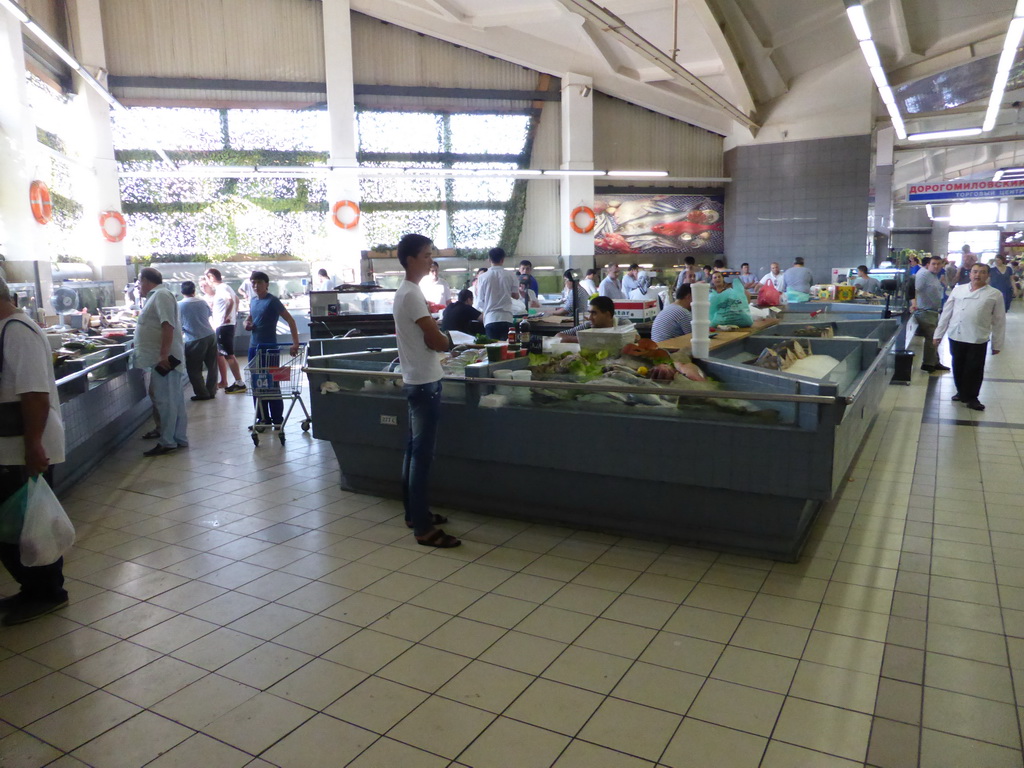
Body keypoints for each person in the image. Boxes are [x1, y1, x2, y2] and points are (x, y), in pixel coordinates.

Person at [0, 277, 68, 625]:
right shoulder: (7, 330)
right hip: (12, 448)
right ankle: (33, 588)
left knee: (29, 525)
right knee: (17, 527)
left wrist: (33, 447)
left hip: (23, 448)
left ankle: (48, 592)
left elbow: (35, 396)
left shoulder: (17, 332)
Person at [392, 234, 460, 548]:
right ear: (409, 259)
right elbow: (434, 341)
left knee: (413, 451)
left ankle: (413, 513)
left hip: (417, 380)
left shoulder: (407, 292)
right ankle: (422, 528)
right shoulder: (411, 295)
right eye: (425, 254)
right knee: (421, 456)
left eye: (431, 254)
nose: (430, 260)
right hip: (424, 384)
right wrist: (450, 340)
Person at [933, 263, 1006, 411]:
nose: (978, 275)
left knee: (974, 368)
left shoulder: (994, 294)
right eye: (975, 272)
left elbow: (999, 321)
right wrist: (938, 334)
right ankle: (961, 392)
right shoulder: (958, 290)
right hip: (956, 335)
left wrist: (997, 344)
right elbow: (947, 312)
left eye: (982, 272)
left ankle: (972, 397)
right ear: (970, 274)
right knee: (958, 365)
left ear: (988, 275)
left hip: (977, 337)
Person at [136, 267, 187, 457]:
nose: (138, 287)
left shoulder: (161, 295)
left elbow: (168, 325)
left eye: (139, 282)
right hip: (162, 358)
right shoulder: (157, 296)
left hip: (165, 360)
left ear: (146, 281)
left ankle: (168, 441)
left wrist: (163, 355)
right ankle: (178, 437)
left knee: (165, 400)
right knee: (173, 400)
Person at [245, 271, 300, 426]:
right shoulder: (253, 301)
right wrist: (246, 324)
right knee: (257, 384)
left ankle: (277, 418)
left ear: (267, 284)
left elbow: (290, 320)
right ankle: (262, 417)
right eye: (253, 283)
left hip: (269, 349)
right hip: (253, 347)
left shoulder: (273, 301)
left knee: (272, 384)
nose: (256, 286)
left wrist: (295, 343)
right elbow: (250, 318)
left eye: (259, 282)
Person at [205, 268, 246, 394]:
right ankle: (236, 381)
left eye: (207, 278)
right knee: (225, 354)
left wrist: (226, 316)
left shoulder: (222, 288)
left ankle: (239, 382)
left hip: (224, 326)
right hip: (225, 325)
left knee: (229, 355)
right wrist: (233, 314)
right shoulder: (225, 287)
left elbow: (231, 300)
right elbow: (237, 300)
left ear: (211, 277)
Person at [178, 281, 218, 401]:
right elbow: (208, 315)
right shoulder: (202, 302)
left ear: (181, 292)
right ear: (194, 291)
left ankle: (202, 393)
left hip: (194, 339)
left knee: (194, 368)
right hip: (210, 335)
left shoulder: (179, 305)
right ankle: (211, 391)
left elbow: (179, 324)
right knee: (212, 366)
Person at [912, 256, 950, 374]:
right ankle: (928, 364)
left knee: (935, 337)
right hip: (924, 311)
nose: (936, 266)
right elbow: (913, 290)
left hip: (933, 311)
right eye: (934, 264)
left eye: (939, 264)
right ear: (928, 264)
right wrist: (913, 303)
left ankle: (934, 361)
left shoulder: (932, 275)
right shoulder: (923, 275)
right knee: (931, 338)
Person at [474, 247, 519, 340]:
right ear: (503, 260)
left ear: (489, 260)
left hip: (491, 319)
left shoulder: (482, 277)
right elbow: (516, 296)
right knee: (507, 349)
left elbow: (480, 301)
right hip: (507, 318)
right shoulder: (511, 275)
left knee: (493, 350)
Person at [557, 295, 621, 342]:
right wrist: (584, 339)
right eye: (589, 313)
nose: (590, 318)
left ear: (608, 315)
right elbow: (558, 336)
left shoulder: (623, 324)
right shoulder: (588, 325)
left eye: (594, 313)